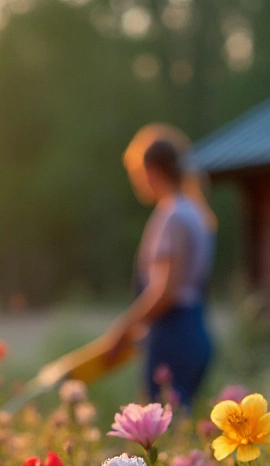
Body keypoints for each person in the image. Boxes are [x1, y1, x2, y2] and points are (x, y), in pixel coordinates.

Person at [102, 124, 216, 409]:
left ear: (151, 170)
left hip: (173, 334)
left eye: (137, 174)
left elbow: (166, 291)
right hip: (194, 327)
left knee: (163, 431)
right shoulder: (194, 212)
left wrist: (123, 329)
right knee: (179, 425)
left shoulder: (173, 215)